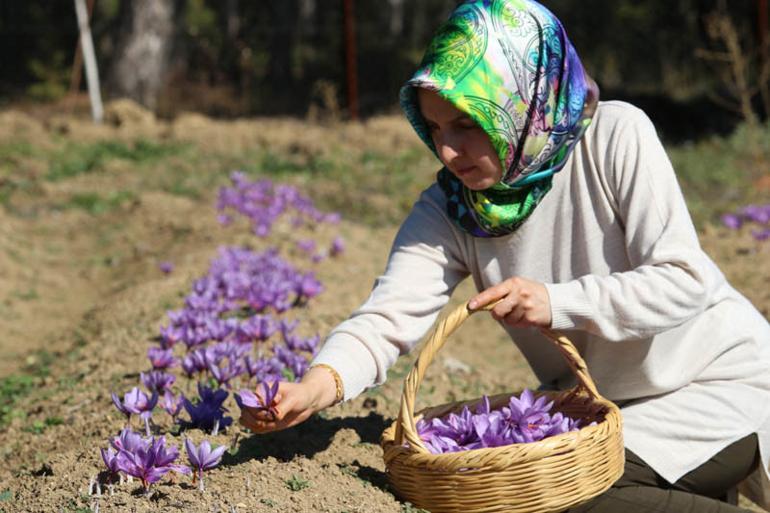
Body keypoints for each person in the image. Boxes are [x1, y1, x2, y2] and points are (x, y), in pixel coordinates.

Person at [239, 1, 770, 511]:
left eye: (467, 125)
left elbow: (683, 281)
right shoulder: (452, 207)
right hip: (602, 406)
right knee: (529, 486)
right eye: (436, 129)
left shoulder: (614, 137)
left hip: (716, 383)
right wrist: (315, 385)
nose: (448, 151)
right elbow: (387, 317)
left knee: (568, 492)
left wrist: (556, 301)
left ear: (521, 102)